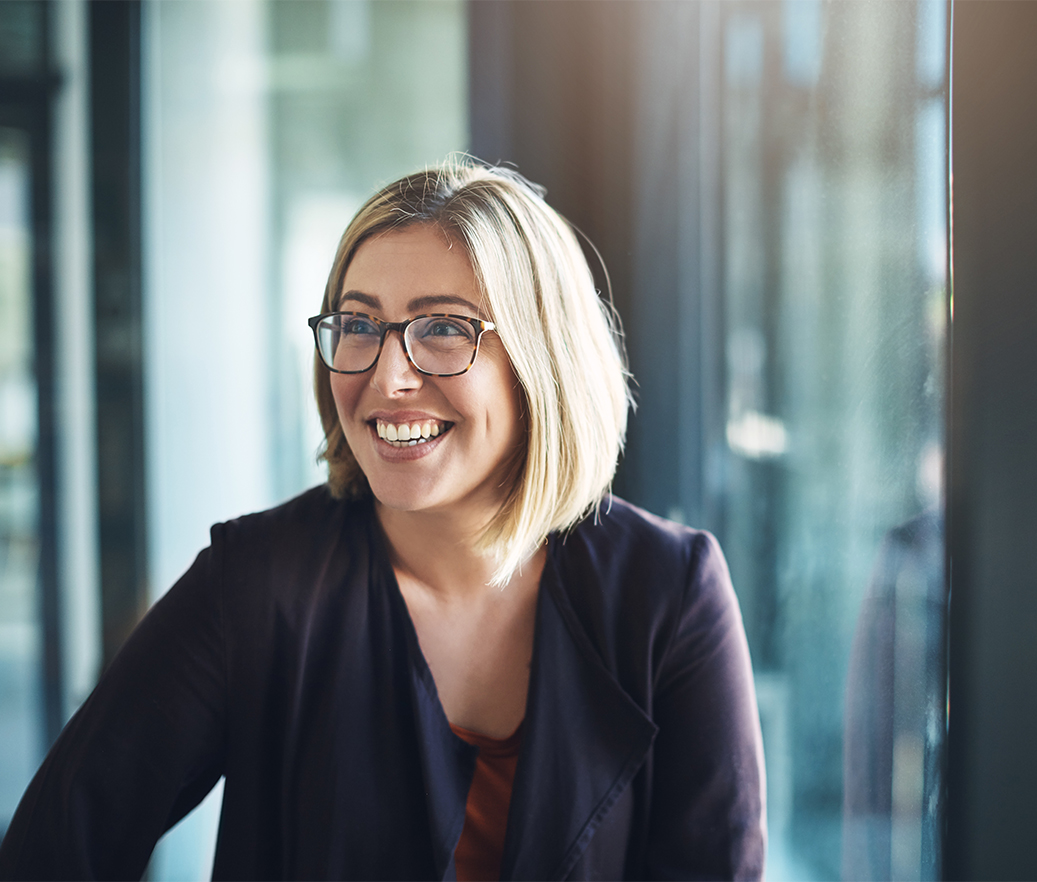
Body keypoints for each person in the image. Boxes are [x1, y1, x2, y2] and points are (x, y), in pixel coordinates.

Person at [0, 158, 765, 880]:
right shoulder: (256, 586)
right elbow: (55, 847)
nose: (387, 375)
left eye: (443, 328)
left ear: (542, 360)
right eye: (359, 326)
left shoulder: (670, 594)